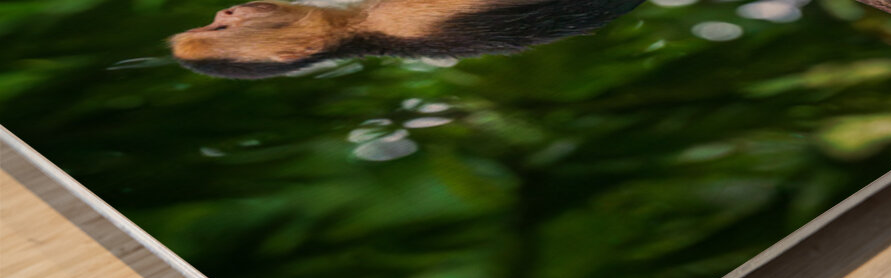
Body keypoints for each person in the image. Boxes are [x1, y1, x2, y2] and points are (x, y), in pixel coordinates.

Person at [169, 0, 645, 79]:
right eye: (219, 31)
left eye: (208, 21)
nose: (223, 14)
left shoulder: (392, 20)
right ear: (297, 51)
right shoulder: (408, 22)